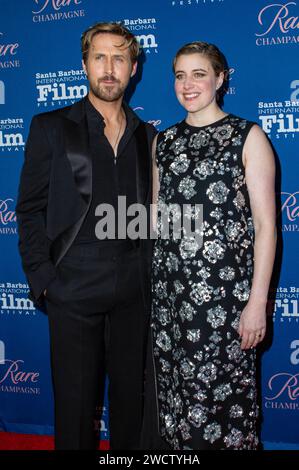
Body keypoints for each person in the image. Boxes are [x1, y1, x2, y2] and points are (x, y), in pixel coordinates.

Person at [16, 22, 156, 450]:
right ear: (84, 65)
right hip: (73, 284)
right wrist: (45, 280)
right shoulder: (51, 127)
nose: (109, 68)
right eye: (99, 57)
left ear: (133, 67)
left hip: (134, 286)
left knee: (131, 404)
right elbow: (29, 209)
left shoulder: (147, 136)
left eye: (119, 57)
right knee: (75, 410)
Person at [144, 41, 276, 450]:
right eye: (180, 75)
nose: (188, 84)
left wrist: (257, 303)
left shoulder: (247, 136)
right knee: (177, 404)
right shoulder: (162, 142)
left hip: (225, 301)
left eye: (199, 74)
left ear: (220, 79)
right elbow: (156, 220)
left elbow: (266, 227)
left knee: (226, 405)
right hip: (171, 300)